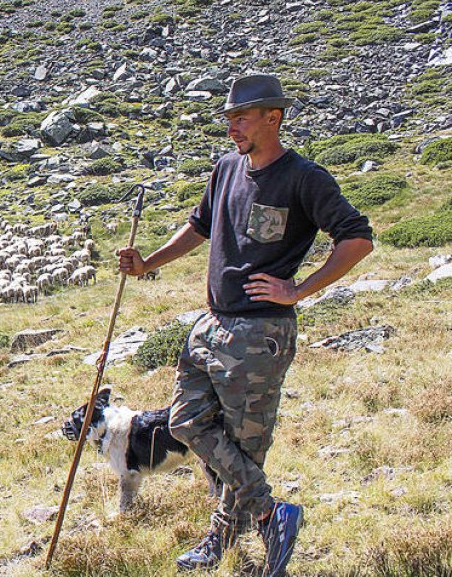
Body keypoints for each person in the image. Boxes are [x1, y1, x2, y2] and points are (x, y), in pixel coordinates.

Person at [117, 74, 374, 574]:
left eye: (241, 117)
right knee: (185, 422)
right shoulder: (227, 168)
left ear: (273, 118)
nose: (232, 126)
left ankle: (222, 543)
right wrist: (149, 263)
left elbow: (357, 239)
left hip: (260, 334)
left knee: (242, 447)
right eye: (229, 118)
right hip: (210, 324)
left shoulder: (304, 178)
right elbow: (199, 225)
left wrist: (297, 289)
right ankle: (270, 511)